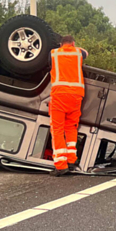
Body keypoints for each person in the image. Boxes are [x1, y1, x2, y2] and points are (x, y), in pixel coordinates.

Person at [48, 35, 88, 176]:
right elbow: (86, 53)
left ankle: (60, 165)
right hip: (76, 96)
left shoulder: (54, 53)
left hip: (59, 95)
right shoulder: (79, 53)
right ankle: (71, 160)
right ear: (73, 43)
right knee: (71, 127)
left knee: (57, 129)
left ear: (61, 44)